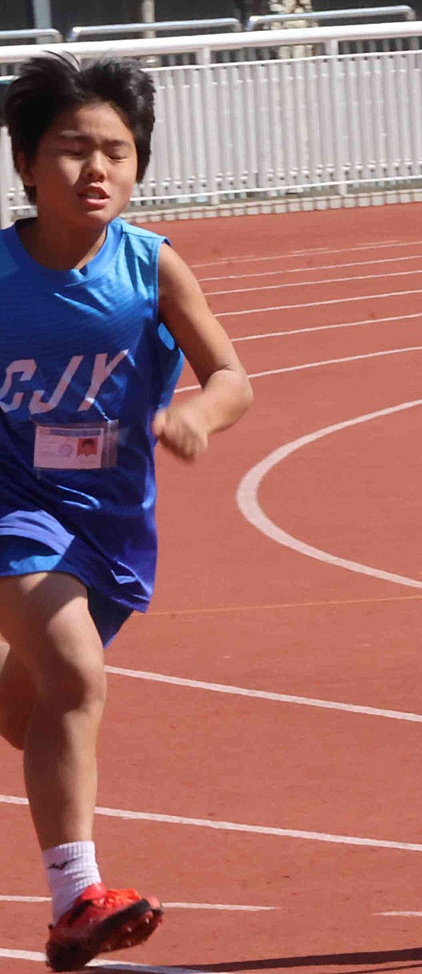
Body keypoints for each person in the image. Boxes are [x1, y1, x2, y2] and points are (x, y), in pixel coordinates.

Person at [1, 54, 252, 969]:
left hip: (109, 525)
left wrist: (197, 415)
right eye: (73, 149)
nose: (96, 168)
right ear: (26, 163)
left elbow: (231, 376)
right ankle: (76, 898)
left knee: (34, 710)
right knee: (74, 673)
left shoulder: (151, 265)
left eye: (117, 151)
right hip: (13, 509)